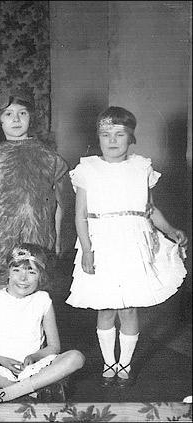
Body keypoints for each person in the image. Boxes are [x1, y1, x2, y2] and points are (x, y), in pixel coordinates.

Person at [66, 106, 188, 388]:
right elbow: (80, 215)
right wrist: (86, 249)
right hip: (101, 242)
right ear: (98, 137)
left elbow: (149, 208)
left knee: (129, 308)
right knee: (106, 307)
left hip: (133, 242)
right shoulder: (87, 169)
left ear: (131, 137)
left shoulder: (141, 167)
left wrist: (169, 229)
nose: (112, 140)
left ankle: (126, 364)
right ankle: (109, 363)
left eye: (119, 134)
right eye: (106, 134)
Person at [0, 90, 73, 291]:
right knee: (4, 299)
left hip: (40, 240)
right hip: (2, 242)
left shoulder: (49, 158)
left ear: (31, 117)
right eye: (8, 114)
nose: (16, 119)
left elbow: (64, 204)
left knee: (36, 296)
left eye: (22, 113)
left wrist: (58, 238)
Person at [0, 244, 85, 403]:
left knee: (76, 357)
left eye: (31, 272)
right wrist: (2, 360)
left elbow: (54, 346)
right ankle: (28, 389)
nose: (23, 278)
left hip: (33, 369)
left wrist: (35, 356)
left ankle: (13, 390)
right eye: (16, 270)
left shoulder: (42, 299)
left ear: (41, 276)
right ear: (7, 273)